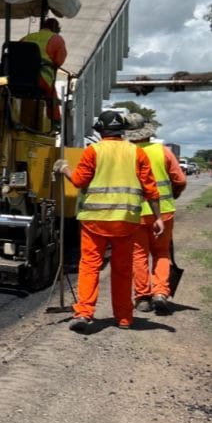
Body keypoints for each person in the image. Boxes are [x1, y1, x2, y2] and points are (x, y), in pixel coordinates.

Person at [53, 108, 163, 330]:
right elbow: (150, 188)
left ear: (100, 131)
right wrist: (158, 217)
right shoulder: (137, 153)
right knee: (123, 270)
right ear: (122, 131)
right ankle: (124, 318)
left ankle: (84, 313)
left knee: (90, 266)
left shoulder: (93, 151)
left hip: (95, 219)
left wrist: (64, 168)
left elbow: (79, 180)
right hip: (126, 221)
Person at [124, 115, 187, 314]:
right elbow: (180, 180)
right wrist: (174, 194)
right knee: (161, 253)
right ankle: (160, 292)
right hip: (164, 212)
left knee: (139, 255)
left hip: (135, 214)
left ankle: (142, 298)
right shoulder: (163, 152)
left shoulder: (125, 154)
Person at [20, 17, 67, 121]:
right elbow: (58, 62)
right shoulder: (57, 39)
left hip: (18, 77)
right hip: (41, 78)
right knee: (52, 95)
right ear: (56, 29)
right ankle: (54, 122)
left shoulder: (27, 37)